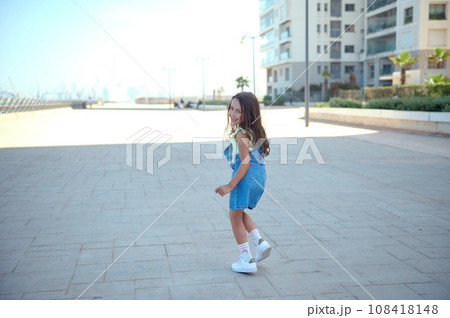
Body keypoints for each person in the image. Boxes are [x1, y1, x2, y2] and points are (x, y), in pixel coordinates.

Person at [215, 92, 271, 273]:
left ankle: (246, 258)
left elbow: (244, 163)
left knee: (233, 215)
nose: (233, 113)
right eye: (231, 108)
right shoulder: (254, 131)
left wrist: (230, 185)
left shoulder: (240, 133)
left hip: (245, 177)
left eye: (238, 111)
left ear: (249, 114)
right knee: (239, 212)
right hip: (259, 176)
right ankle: (259, 242)